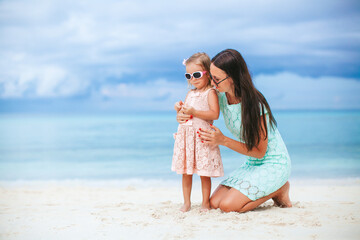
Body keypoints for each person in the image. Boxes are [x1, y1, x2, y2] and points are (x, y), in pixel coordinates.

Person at [176, 49, 292, 213]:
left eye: (216, 79)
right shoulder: (221, 96)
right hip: (252, 164)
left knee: (228, 206)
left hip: (273, 163)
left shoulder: (255, 105)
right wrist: (181, 115)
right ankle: (270, 189)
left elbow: (259, 152)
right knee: (214, 202)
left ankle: (279, 189)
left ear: (232, 77)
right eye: (211, 76)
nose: (212, 83)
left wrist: (222, 140)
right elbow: (198, 108)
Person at [172, 52, 224, 212]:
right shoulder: (190, 93)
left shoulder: (210, 93)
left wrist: (194, 111)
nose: (192, 79)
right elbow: (184, 117)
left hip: (202, 138)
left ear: (208, 74)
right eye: (188, 75)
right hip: (187, 138)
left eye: (196, 74)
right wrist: (179, 111)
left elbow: (214, 114)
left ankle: (205, 203)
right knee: (186, 172)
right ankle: (186, 203)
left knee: (204, 172)